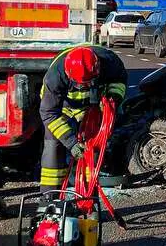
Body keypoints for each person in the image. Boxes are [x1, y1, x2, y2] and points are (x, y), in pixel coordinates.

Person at [39, 44, 128, 189]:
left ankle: (88, 195)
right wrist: (71, 142)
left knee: (91, 148)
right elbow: (49, 113)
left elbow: (119, 82)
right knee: (53, 145)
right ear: (68, 75)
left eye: (89, 82)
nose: (84, 86)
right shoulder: (55, 76)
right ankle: (50, 197)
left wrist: (113, 98)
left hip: (91, 108)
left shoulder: (110, 62)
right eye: (80, 84)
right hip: (61, 108)